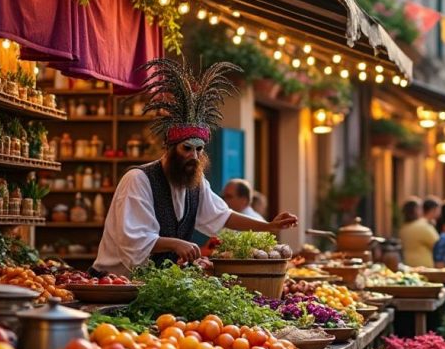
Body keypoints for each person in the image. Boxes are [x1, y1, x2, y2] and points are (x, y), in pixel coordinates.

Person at [92, 59, 297, 276]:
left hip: (157, 281)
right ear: (169, 148)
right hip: (115, 281)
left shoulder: (196, 185)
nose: (194, 156)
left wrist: (269, 226)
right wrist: (175, 243)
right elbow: (133, 239)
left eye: (199, 149)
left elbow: (223, 216)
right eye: (187, 148)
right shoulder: (138, 180)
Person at [399, 196, 438, 268]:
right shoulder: (423, 226)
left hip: (408, 264)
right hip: (424, 267)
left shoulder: (403, 228)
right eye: (421, 208)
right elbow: (437, 244)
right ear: (416, 210)